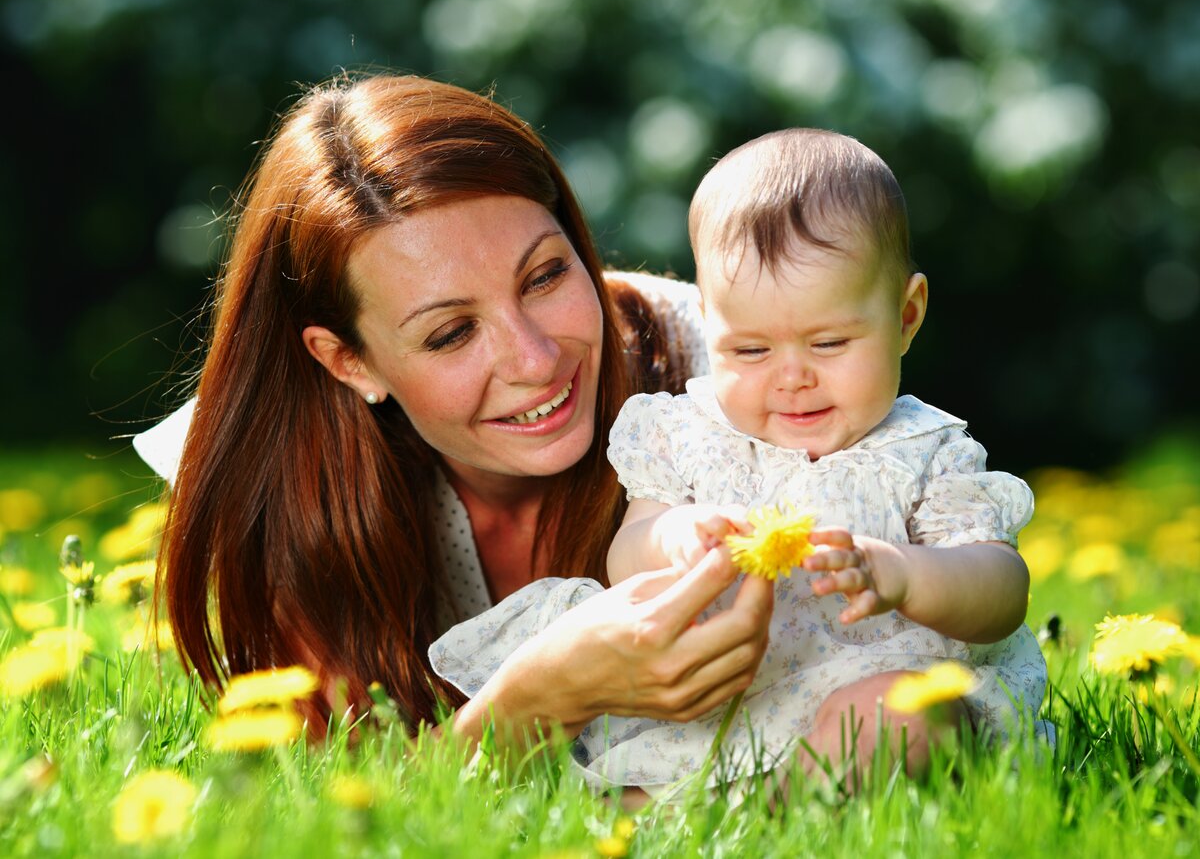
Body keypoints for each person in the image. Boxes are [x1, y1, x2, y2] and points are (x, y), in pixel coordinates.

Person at [131, 74, 776, 773]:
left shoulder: (741, 371)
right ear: (349, 362)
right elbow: (342, 812)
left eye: (545, 276)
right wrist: (533, 704)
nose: (533, 359)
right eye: (450, 334)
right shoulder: (282, 468)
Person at [430, 128, 1047, 791]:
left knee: (902, 718)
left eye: (830, 342)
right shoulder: (686, 435)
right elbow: (627, 553)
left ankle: (782, 802)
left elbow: (1001, 589)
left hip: (869, 683)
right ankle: (696, 809)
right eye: (750, 351)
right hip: (721, 704)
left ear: (906, 315)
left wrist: (900, 573)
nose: (791, 377)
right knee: (632, 779)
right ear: (708, 322)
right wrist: (673, 537)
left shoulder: (924, 449)